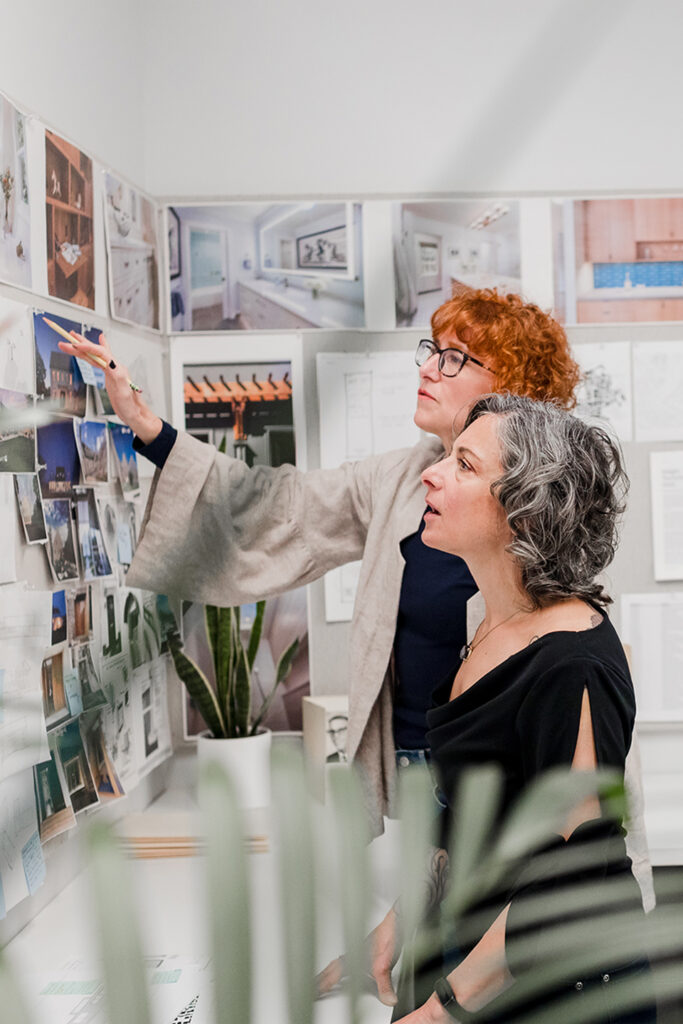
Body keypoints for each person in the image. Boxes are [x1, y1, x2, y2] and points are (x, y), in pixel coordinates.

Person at [56, 290, 652, 994]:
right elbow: (275, 504)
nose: (429, 367)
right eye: (431, 349)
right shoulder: (403, 476)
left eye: (455, 357)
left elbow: (564, 847)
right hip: (429, 778)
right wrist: (149, 428)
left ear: (511, 388)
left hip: (529, 810)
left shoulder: (551, 529)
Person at [384, 393, 656, 1023]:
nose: (433, 473)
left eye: (464, 466)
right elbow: (475, 810)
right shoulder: (492, 622)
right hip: (477, 957)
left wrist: (439, 1012)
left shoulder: (572, 665)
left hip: (560, 988)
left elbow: (569, 870)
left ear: (525, 514)